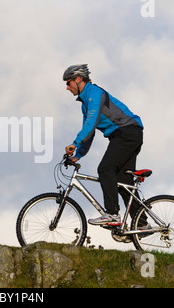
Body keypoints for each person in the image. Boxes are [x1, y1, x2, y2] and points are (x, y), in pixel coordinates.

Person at [63, 64, 145, 226]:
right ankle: (142, 224)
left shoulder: (94, 93)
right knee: (123, 183)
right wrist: (78, 154)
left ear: (78, 79)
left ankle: (112, 214)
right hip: (124, 135)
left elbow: (91, 124)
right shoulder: (85, 103)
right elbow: (90, 132)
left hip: (127, 132)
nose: (67, 87)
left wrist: (75, 143)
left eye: (68, 82)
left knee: (105, 169)